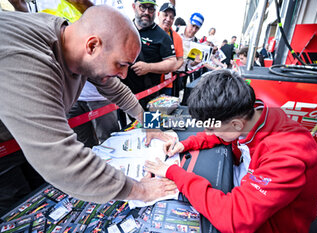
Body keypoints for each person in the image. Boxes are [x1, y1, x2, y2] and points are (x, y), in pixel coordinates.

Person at [0, 5, 176, 216]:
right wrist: (140, 190)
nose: (123, 74)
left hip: (22, 138)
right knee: (18, 205)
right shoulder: (28, 59)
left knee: (40, 190)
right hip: (6, 154)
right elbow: (60, 160)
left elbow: (120, 91)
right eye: (121, 64)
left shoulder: (74, 44)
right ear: (92, 45)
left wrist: (150, 124)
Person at [145, 70, 317, 232]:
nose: (207, 132)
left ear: (236, 124)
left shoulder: (285, 154)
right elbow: (227, 135)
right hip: (248, 194)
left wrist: (174, 173)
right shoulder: (252, 116)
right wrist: (188, 143)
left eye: (212, 128)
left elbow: (235, 219)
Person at [121, 0, 177, 109]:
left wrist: (148, 67)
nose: (146, 12)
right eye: (142, 7)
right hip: (121, 93)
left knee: (146, 125)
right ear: (134, 6)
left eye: (151, 8)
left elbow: (172, 63)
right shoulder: (124, 28)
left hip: (147, 96)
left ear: (155, 11)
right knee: (122, 126)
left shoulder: (162, 36)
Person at [157, 2, 184, 96]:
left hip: (167, 84)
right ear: (158, 14)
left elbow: (180, 59)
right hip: (148, 82)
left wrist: (174, 67)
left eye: (171, 17)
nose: (168, 19)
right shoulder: (149, 32)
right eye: (165, 15)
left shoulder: (177, 38)